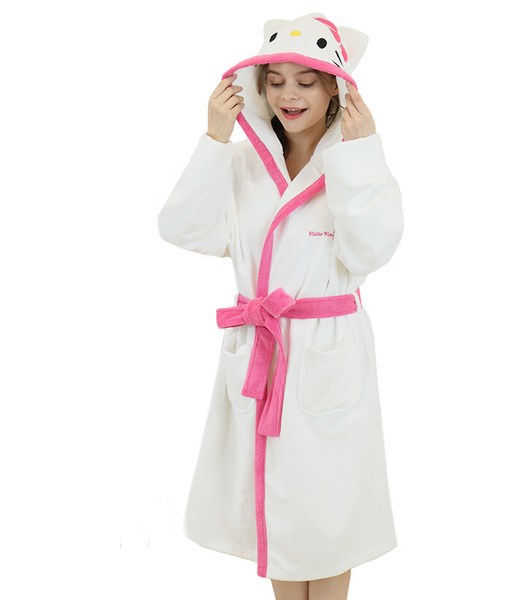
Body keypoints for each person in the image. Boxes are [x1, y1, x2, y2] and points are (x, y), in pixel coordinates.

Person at [157, 12, 404, 600]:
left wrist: (361, 153)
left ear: (335, 88)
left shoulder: (356, 163)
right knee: (280, 511)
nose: (288, 94)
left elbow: (371, 249)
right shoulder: (242, 165)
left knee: (329, 513)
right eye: (275, 81)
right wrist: (215, 139)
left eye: (306, 80)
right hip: (262, 355)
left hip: (328, 356)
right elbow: (183, 229)